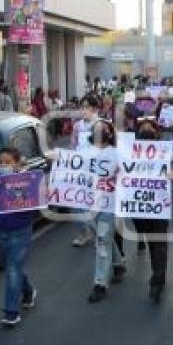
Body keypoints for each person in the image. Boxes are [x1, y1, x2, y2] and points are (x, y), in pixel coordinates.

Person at [0, 147, 38, 327]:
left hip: (20, 231)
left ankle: (11, 312)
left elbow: (36, 205)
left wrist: (26, 197)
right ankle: (28, 291)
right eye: (1, 162)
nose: (4, 165)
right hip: (0, 231)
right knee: (12, 267)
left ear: (17, 163)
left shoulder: (26, 181)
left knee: (12, 269)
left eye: (8, 162)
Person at [85, 120, 128, 303]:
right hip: (90, 204)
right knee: (102, 236)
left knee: (102, 242)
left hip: (109, 204)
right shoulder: (85, 152)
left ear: (109, 133)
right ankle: (118, 263)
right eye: (95, 129)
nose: (97, 132)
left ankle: (100, 283)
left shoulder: (117, 154)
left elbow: (127, 176)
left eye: (101, 129)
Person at [130, 118, 172, 303]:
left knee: (159, 242)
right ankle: (157, 274)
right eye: (143, 128)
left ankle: (158, 279)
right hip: (141, 205)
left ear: (156, 132)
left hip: (159, 204)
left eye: (150, 128)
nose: (146, 130)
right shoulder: (129, 151)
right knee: (151, 241)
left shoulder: (165, 151)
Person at [71, 94, 101, 247]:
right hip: (80, 169)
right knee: (77, 204)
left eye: (87, 107)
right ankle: (85, 231)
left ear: (95, 108)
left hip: (97, 171)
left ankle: (97, 235)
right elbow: (73, 146)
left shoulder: (101, 125)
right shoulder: (77, 126)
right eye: (82, 106)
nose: (84, 110)